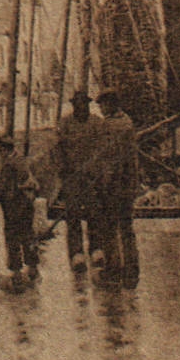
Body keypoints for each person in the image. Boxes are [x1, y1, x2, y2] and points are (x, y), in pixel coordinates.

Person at [94, 88, 141, 286]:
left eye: (103, 105)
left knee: (109, 229)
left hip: (113, 185)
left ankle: (113, 271)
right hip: (128, 184)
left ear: (111, 104)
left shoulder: (110, 126)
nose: (101, 108)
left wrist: (102, 182)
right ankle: (131, 271)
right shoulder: (127, 122)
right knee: (127, 228)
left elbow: (108, 159)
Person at [54, 91, 103, 272]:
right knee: (73, 214)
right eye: (77, 104)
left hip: (91, 176)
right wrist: (63, 170)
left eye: (83, 104)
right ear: (73, 106)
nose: (80, 108)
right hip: (72, 176)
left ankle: (96, 249)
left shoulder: (97, 123)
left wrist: (96, 170)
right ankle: (76, 253)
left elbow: (103, 149)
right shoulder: (65, 123)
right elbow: (58, 149)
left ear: (88, 105)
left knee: (94, 212)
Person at [0, 132, 41, 290]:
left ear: (4, 149)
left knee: (13, 238)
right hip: (27, 206)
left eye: (0, 150)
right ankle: (33, 269)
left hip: (14, 207)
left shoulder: (8, 164)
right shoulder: (22, 160)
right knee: (28, 236)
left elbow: (6, 191)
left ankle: (16, 274)